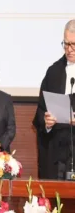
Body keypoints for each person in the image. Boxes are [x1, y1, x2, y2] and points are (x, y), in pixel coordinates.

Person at [33, 19, 75, 179]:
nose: (69, 49)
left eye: (73, 44)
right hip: (57, 154)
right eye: (65, 44)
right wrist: (47, 122)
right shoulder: (53, 72)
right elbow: (40, 111)